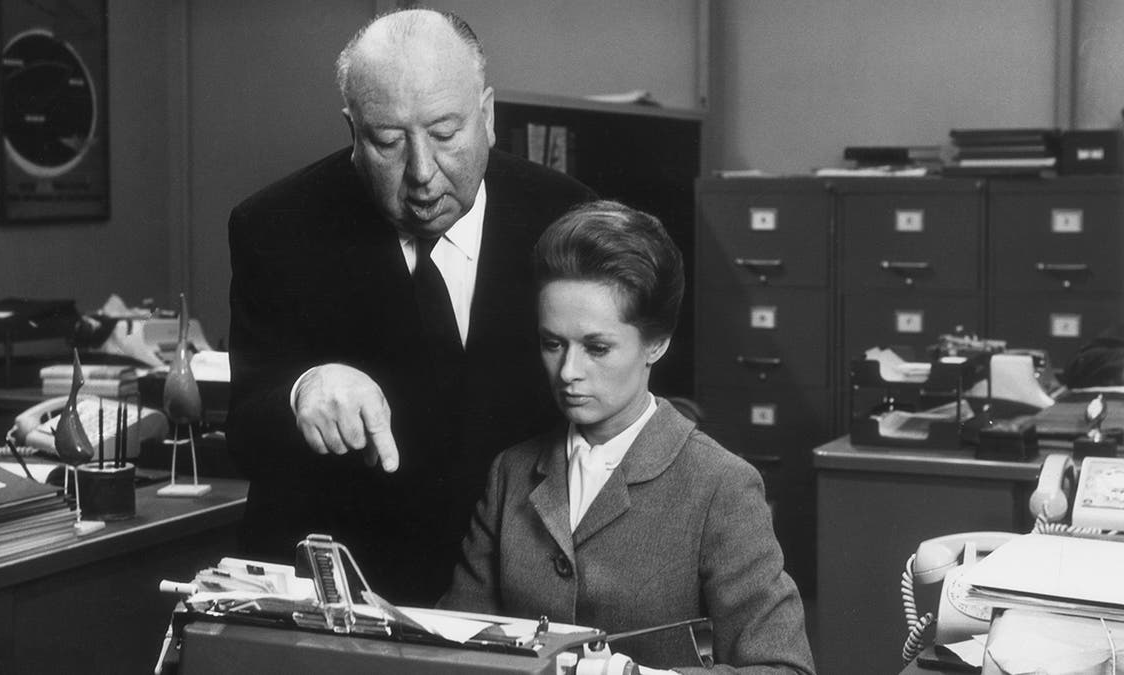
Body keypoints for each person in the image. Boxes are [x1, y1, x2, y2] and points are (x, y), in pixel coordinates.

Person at [226, 8, 595, 605]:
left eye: (446, 134)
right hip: (348, 596)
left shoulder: (566, 216)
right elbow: (243, 429)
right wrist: (303, 389)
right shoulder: (276, 226)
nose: (422, 174)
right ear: (353, 132)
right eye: (389, 142)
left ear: (488, 115)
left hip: (516, 586)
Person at [439, 201, 816, 674]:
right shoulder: (511, 473)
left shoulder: (720, 486)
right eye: (552, 343)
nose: (568, 372)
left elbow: (785, 669)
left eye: (597, 347)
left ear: (656, 342)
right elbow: (452, 645)